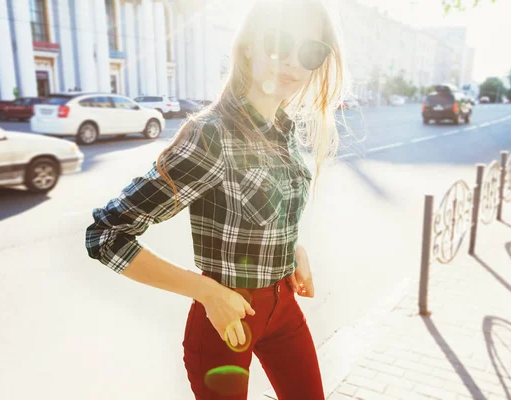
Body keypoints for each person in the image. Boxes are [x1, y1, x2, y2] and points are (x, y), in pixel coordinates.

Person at [85, 0, 348, 398]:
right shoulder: (212, 135)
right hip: (225, 322)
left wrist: (293, 248)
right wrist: (206, 292)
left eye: (311, 51)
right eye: (280, 41)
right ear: (247, 45)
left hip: (283, 308)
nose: (294, 61)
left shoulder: (284, 128)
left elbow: (264, 210)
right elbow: (105, 235)